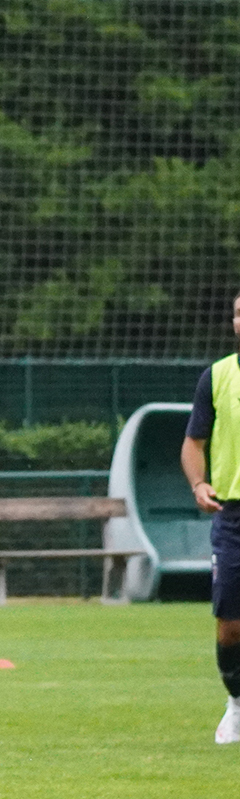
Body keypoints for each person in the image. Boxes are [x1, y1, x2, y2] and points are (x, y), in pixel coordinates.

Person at [179, 289, 240, 744]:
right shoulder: (217, 376)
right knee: (229, 621)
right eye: (238, 313)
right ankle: (236, 703)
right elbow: (194, 443)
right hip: (233, 514)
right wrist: (199, 485)